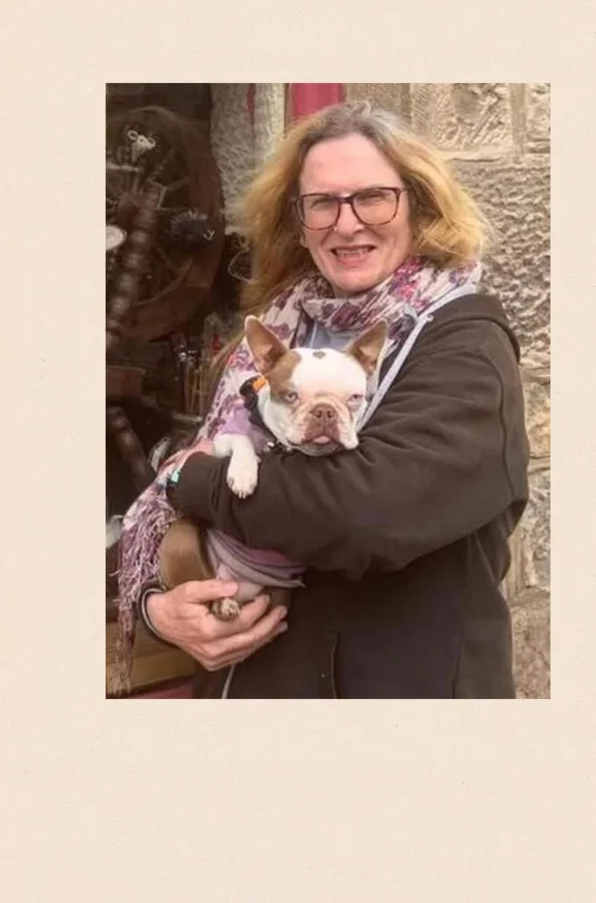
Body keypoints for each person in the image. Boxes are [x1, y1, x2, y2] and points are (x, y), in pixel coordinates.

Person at [112, 101, 530, 698]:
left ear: (419, 204)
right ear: (298, 222)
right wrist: (163, 611)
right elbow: (194, 522)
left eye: (373, 197)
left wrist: (192, 482)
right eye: (322, 203)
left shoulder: (464, 343)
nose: (347, 223)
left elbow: (361, 513)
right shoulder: (279, 328)